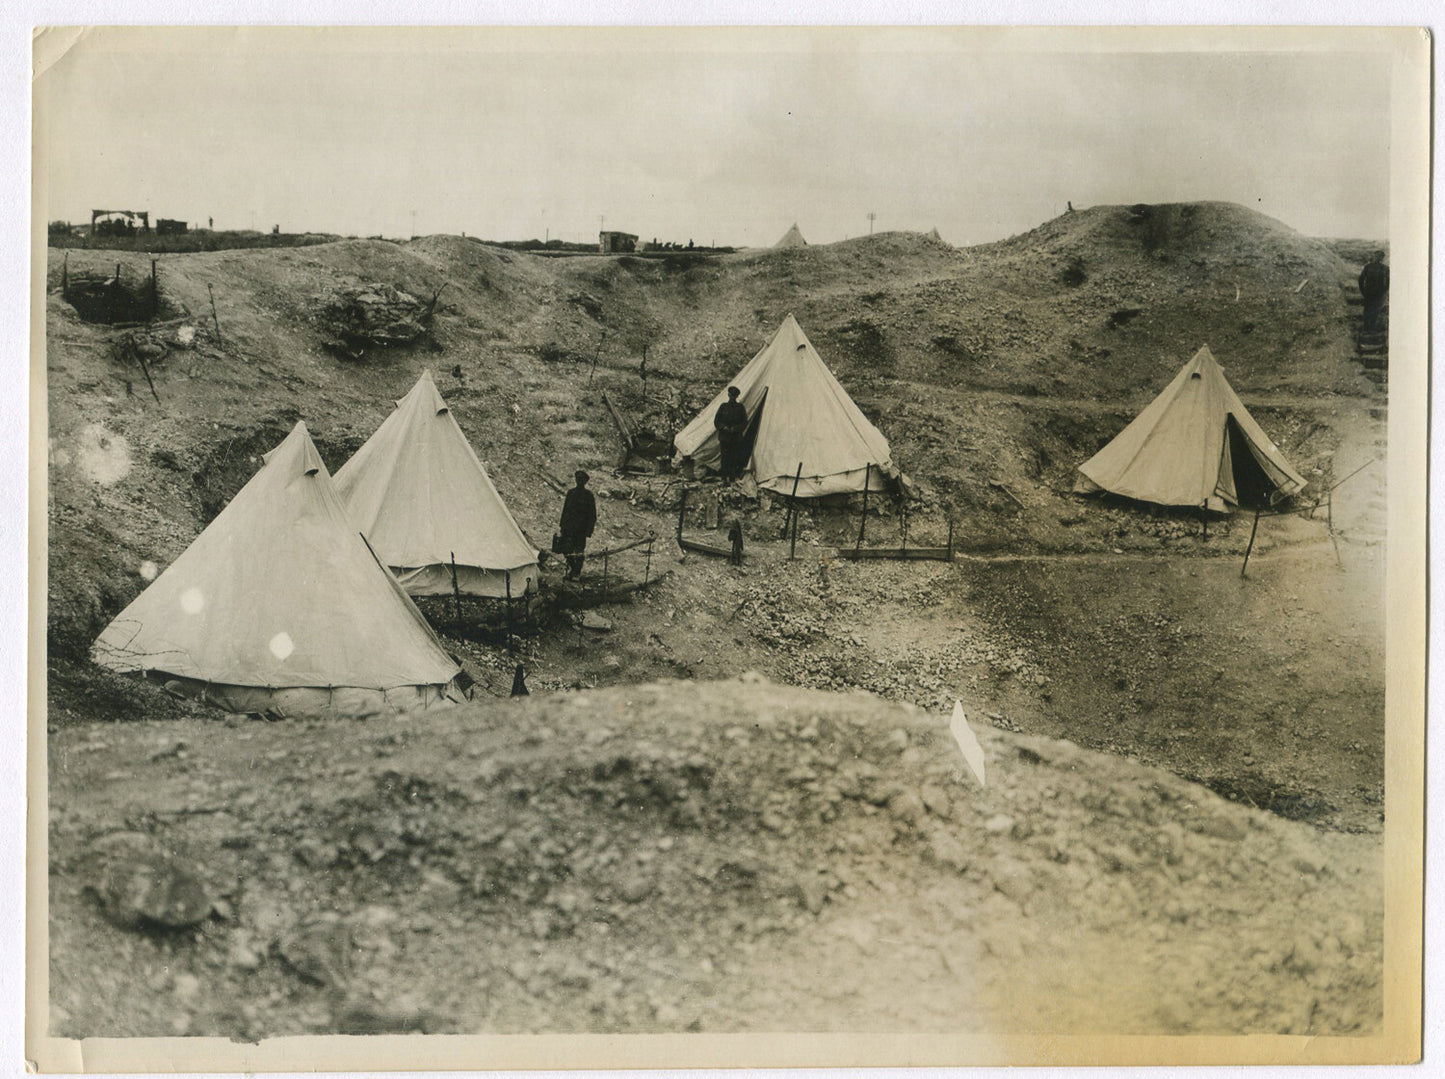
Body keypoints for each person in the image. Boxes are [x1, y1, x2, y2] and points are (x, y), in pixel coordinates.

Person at [558, 470, 597, 580]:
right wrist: (562, 526)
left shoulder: (589, 496)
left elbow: (592, 515)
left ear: (585, 482)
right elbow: (565, 511)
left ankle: (576, 573)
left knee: (579, 552)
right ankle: (573, 569)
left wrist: (589, 530)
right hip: (569, 528)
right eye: (578, 479)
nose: (579, 482)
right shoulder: (571, 493)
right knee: (566, 550)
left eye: (582, 480)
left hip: (581, 530)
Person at [714, 387, 748, 482]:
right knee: (724, 457)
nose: (732, 398)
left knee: (733, 458)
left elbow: (744, 422)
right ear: (728, 395)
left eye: (734, 396)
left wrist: (735, 429)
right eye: (731, 395)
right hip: (724, 437)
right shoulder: (723, 407)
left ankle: (732, 477)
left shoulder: (740, 408)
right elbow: (717, 421)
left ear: (737, 396)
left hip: (735, 437)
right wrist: (723, 427)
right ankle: (724, 477)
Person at [1358, 250, 1389, 334]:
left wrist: (1383, 291)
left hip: (1377, 293)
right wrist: (1363, 291)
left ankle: (1370, 328)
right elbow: (1361, 279)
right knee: (1368, 310)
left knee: (1374, 311)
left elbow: (1389, 281)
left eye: (1379, 256)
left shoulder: (1385, 268)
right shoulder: (1368, 267)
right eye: (1376, 256)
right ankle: (1366, 328)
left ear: (1381, 258)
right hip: (1369, 293)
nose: (1376, 258)